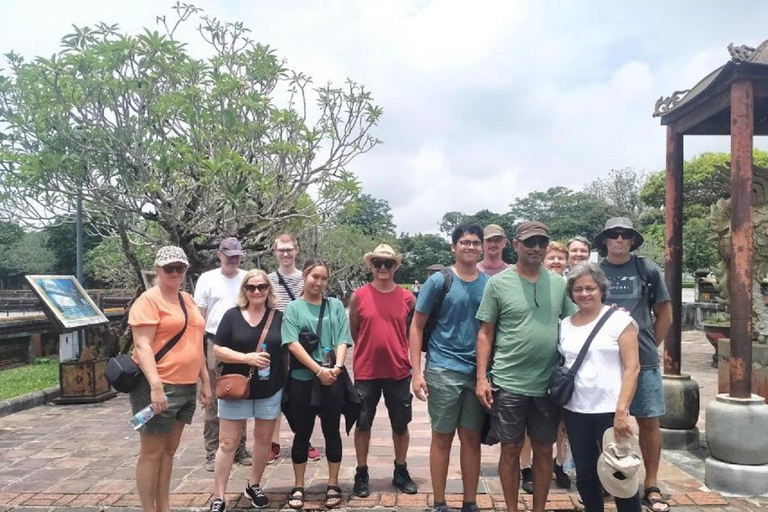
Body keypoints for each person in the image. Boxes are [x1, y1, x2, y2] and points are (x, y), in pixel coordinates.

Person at [475, 221, 576, 512]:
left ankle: (539, 508)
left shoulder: (558, 284)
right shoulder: (498, 283)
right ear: (516, 244)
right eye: (530, 242)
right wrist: (482, 377)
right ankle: (510, 508)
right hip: (509, 382)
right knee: (510, 448)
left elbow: (574, 324)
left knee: (545, 449)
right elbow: (485, 332)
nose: (536, 248)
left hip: (547, 384)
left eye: (541, 243)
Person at [410, 223, 489, 512]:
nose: (470, 247)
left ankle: (470, 501)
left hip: (475, 372)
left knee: (471, 438)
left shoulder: (487, 283)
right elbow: (416, 326)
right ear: (453, 247)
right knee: (442, 436)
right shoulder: (439, 281)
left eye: (475, 242)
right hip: (443, 368)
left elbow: (489, 330)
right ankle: (440, 502)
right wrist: (416, 373)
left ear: (481, 247)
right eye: (464, 242)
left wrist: (485, 375)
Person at [595, 217, 672, 512]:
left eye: (624, 235)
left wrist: (650, 344)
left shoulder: (646, 269)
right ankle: (609, 478)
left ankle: (651, 483)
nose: (618, 240)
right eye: (613, 235)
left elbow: (664, 315)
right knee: (603, 422)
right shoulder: (596, 271)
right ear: (604, 240)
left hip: (643, 360)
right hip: (604, 361)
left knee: (648, 421)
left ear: (631, 240)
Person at [129, 246, 211, 512]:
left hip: (186, 384)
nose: (175, 273)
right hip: (160, 384)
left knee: (168, 451)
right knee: (151, 452)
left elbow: (196, 342)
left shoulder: (186, 299)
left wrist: (205, 381)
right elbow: (143, 347)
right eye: (169, 268)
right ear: (158, 270)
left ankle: (163, 506)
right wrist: (155, 386)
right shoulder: (149, 300)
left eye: (180, 268)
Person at [559, 263, 641, 512]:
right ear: (571, 293)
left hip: (610, 409)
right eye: (578, 289)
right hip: (576, 409)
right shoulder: (565, 324)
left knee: (620, 472)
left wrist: (622, 411)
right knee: (585, 472)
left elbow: (632, 367)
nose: (585, 294)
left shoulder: (619, 320)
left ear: (601, 290)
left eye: (590, 288)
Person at [208, 270, 286, 512]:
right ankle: (218, 495)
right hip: (236, 387)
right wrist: (247, 358)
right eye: (251, 287)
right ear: (244, 290)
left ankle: (254, 484)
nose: (256, 292)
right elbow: (218, 350)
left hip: (269, 387)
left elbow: (288, 349)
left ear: (268, 290)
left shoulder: (279, 317)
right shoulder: (232, 316)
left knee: (263, 440)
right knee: (228, 442)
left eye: (261, 287)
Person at [281, 258, 353, 510]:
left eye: (323, 278)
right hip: (302, 379)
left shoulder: (334, 305)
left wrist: (336, 368)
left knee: (332, 431)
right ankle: (299, 484)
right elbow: (292, 343)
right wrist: (318, 370)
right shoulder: (293, 308)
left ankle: (333, 482)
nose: (319, 283)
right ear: (305, 276)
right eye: (315, 277)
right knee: (302, 433)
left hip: (332, 378)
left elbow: (343, 338)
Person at [349, 244, 418, 497]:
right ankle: (361, 471)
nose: (382, 268)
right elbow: (356, 330)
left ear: (395, 266)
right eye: (378, 262)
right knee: (363, 423)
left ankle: (400, 469)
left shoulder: (407, 297)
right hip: (366, 369)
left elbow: (412, 331)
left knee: (400, 424)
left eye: (387, 263)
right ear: (371, 265)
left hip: (398, 369)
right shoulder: (359, 295)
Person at [194, 237, 251, 471]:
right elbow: (199, 318)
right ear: (220, 255)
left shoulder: (247, 278)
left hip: (241, 342)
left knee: (242, 393)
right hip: (213, 341)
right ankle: (212, 449)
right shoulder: (207, 279)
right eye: (229, 256)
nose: (233, 260)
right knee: (212, 397)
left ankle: (240, 446)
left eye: (237, 256)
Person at [267, 234, 322, 464]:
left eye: (289, 249)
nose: (286, 254)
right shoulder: (268, 280)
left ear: (296, 250)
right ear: (275, 252)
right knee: (274, 393)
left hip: (301, 344)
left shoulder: (307, 277)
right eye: (281, 250)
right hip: (274, 343)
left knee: (300, 395)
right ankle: (272, 442)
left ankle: (303, 439)